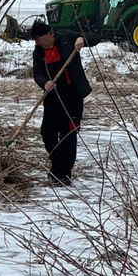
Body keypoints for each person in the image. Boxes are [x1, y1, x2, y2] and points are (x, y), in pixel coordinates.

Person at [30, 20, 96, 186]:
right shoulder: (38, 52)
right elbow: (37, 72)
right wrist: (45, 82)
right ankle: (58, 166)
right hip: (52, 98)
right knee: (47, 132)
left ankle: (63, 174)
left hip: (73, 96)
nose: (37, 43)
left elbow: (95, 36)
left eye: (38, 39)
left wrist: (82, 39)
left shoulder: (66, 38)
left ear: (47, 35)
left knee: (68, 134)